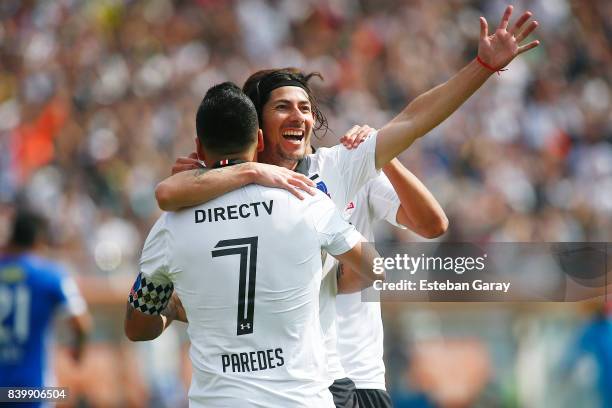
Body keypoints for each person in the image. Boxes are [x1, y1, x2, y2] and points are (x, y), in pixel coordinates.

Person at [155, 7, 539, 407]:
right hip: (291, 384)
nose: (300, 117)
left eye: (305, 108)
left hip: (354, 375)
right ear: (256, 128)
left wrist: (480, 67)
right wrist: (213, 175)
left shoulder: (338, 165)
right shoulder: (228, 188)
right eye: (283, 107)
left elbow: (414, 120)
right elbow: (168, 195)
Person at [124, 82, 380, 407]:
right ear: (259, 141)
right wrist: (324, 277)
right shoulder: (306, 200)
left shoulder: (169, 228)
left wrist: (174, 307)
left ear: (199, 149)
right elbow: (376, 268)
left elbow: (138, 327)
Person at [0, 209, 90, 400]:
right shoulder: (51, 276)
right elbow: (81, 322)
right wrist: (77, 350)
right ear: (38, 240)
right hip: (32, 389)